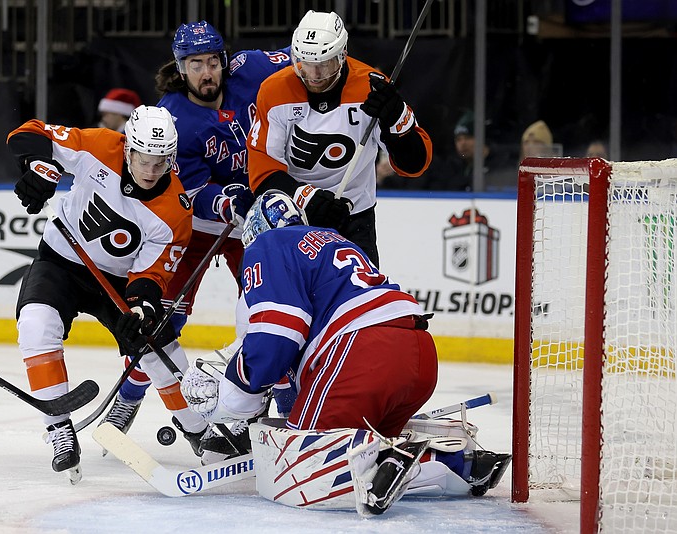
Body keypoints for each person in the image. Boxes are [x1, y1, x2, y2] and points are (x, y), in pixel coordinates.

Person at [180, 191, 510, 514]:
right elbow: (292, 356)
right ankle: (461, 463)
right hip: (417, 353)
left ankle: (393, 460)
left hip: (362, 353)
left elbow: (276, 338)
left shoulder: (269, 246)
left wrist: (233, 400)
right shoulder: (332, 244)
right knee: (350, 440)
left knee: (302, 468)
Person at [97, 20, 293, 464]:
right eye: (194, 64)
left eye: (211, 62)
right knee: (164, 323)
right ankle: (127, 401)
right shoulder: (171, 118)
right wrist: (228, 202)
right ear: (180, 68)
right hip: (194, 229)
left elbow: (303, 59)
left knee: (275, 312)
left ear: (223, 60)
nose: (206, 72)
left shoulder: (252, 69)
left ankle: (286, 411)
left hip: (253, 226)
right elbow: (191, 192)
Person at [7, 105, 211, 482]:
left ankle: (201, 431)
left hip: (116, 282)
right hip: (60, 262)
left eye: (160, 162)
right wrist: (39, 167)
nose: (151, 172)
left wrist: (143, 307)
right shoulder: (102, 146)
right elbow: (28, 132)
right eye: (143, 160)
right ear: (128, 148)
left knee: (157, 346)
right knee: (36, 324)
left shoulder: (175, 212)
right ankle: (59, 430)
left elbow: (151, 274)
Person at [246, 10, 432, 267]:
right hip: (291, 217)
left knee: (361, 303)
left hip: (354, 219)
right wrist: (306, 198)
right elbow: (262, 171)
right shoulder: (274, 91)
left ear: (342, 55)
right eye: (305, 64)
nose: (313, 75)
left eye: (324, 64)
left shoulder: (371, 87)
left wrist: (396, 120)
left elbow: (415, 164)